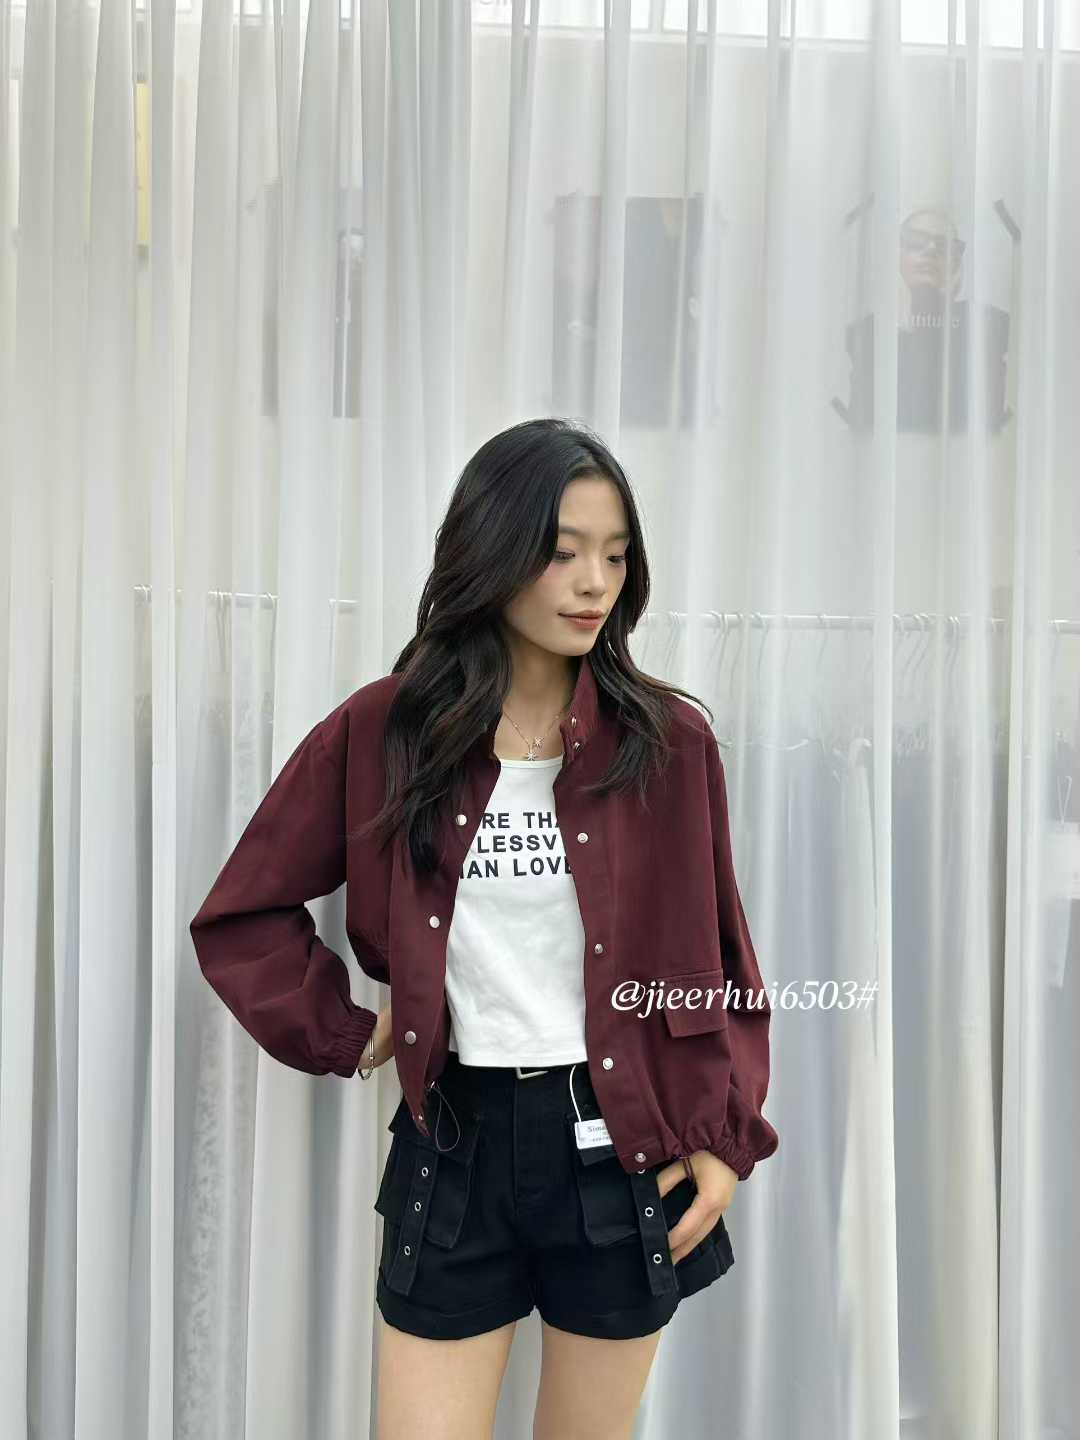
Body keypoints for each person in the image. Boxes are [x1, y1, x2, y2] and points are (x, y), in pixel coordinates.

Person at [189, 417, 779, 1440]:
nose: (593, 582)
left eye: (614, 555)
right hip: (453, 1146)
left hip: (622, 1146)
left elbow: (721, 961)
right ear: (493, 550)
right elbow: (242, 914)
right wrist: (347, 1029)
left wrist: (726, 1139)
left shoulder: (669, 746)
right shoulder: (383, 732)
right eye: (562, 552)